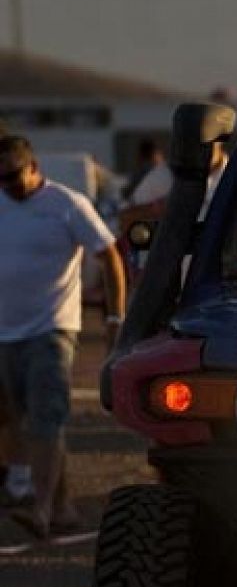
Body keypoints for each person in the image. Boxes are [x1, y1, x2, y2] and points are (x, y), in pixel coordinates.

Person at [0, 136, 126, 542]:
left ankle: (39, 511)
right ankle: (62, 508)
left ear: (33, 167)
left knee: (45, 418)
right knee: (24, 423)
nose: (9, 186)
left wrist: (113, 316)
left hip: (50, 329)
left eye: (14, 176)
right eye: (1, 179)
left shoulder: (66, 204)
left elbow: (109, 255)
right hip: (5, 332)